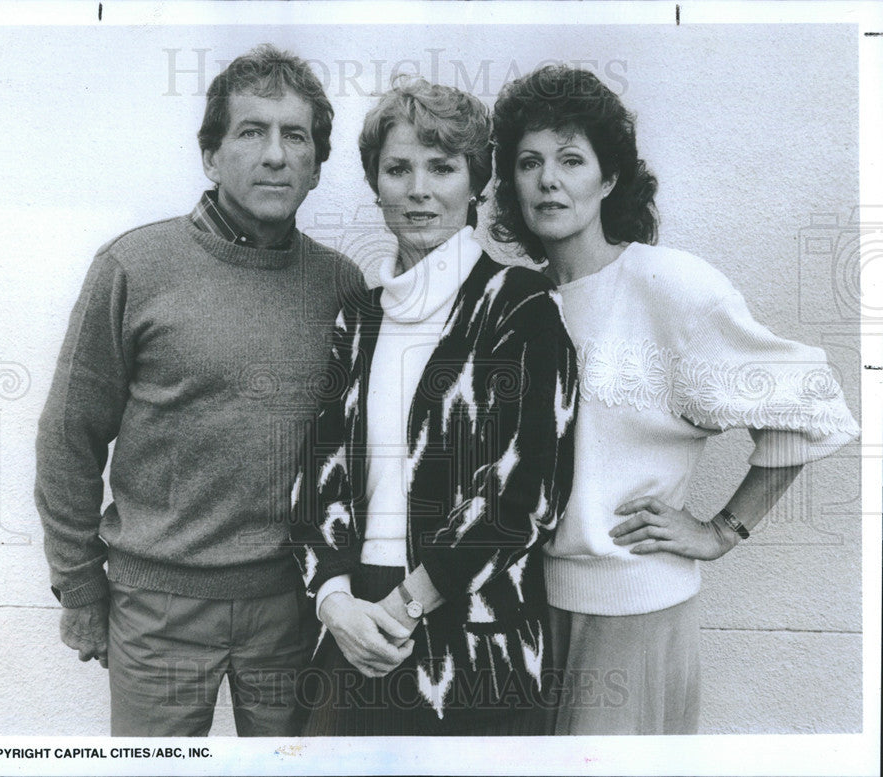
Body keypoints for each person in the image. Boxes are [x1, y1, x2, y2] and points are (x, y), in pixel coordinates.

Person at [489, 65, 860, 735]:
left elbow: (811, 399)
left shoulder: (667, 286)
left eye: (572, 159)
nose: (549, 179)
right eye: (529, 161)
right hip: (537, 614)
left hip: (638, 617)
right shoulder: (518, 301)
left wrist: (722, 528)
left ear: (608, 179)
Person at [35, 44, 364, 737]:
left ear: (315, 164)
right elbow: (69, 438)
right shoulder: (134, 267)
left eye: (295, 135)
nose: (275, 154)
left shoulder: (341, 287)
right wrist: (80, 587)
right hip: (156, 610)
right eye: (251, 131)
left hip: (291, 609)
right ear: (211, 156)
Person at [288, 78, 580, 736]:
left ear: (476, 181)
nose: (419, 188)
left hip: (475, 638)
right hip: (357, 616)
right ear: (376, 185)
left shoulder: (520, 306)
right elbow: (320, 472)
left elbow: (530, 489)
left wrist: (406, 601)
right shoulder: (360, 319)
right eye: (398, 168)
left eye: (442, 167)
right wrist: (336, 600)